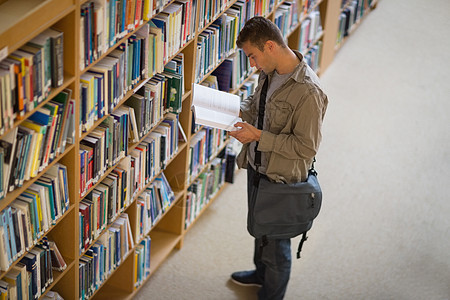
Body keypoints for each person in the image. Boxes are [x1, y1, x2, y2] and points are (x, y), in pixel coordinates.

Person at [228, 16, 328, 300]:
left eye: (253, 56)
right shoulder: (270, 71)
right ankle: (260, 275)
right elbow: (257, 104)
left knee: (277, 247)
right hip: (257, 166)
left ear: (270, 46)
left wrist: (258, 136)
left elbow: (306, 148)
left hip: (281, 179)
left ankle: (271, 294)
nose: (252, 64)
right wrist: (234, 110)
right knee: (261, 229)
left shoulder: (308, 92)